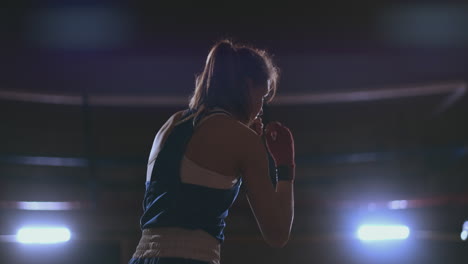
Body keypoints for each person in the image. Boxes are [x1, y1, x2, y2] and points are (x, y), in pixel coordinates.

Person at [129, 39, 295, 264]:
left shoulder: (172, 123)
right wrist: (285, 166)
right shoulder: (243, 140)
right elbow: (277, 234)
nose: (261, 109)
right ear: (247, 86)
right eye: (262, 96)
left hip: (141, 257)